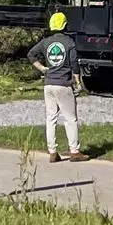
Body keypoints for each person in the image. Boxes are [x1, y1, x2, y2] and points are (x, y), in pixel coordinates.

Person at [26, 10, 84, 162]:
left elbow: (31, 54)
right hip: (64, 85)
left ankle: (52, 152)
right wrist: (78, 83)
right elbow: (74, 65)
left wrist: (42, 68)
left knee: (51, 118)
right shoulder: (69, 42)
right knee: (70, 118)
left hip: (48, 84)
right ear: (65, 25)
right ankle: (74, 151)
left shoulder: (46, 42)